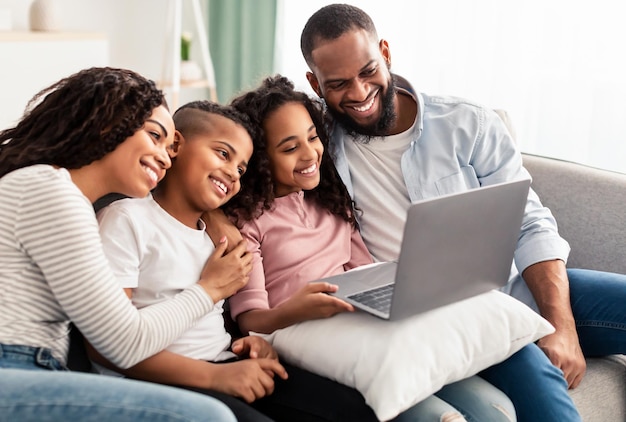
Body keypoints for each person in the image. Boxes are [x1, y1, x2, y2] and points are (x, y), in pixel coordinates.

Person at [299, 3, 626, 420]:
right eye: (339, 83)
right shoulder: (315, 148)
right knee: (545, 397)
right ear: (315, 83)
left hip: (515, 283)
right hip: (454, 318)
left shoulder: (466, 123)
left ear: (385, 51)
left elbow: (529, 224)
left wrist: (560, 324)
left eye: (367, 71)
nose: (359, 93)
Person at [224, 74, 516, 422]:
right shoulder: (247, 223)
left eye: (313, 137)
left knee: (497, 410)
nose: (309, 154)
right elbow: (249, 320)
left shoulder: (331, 201)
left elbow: (366, 275)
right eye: (289, 148)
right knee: (439, 418)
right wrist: (296, 310)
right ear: (259, 159)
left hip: (366, 329)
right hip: (306, 338)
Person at [91, 100, 382, 422]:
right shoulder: (127, 219)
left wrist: (249, 346)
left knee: (355, 411)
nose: (232, 172)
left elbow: (219, 324)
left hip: (225, 362)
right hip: (159, 381)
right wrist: (215, 375)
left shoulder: (218, 240)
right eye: (223, 154)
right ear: (175, 145)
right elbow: (105, 345)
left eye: (242, 168)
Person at [0, 67, 247, 421]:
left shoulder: (69, 200)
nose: (165, 157)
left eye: (169, 146)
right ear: (107, 122)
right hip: (12, 367)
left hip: (33, 368)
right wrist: (209, 289)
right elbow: (124, 343)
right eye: (154, 136)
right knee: (208, 416)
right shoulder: (51, 192)